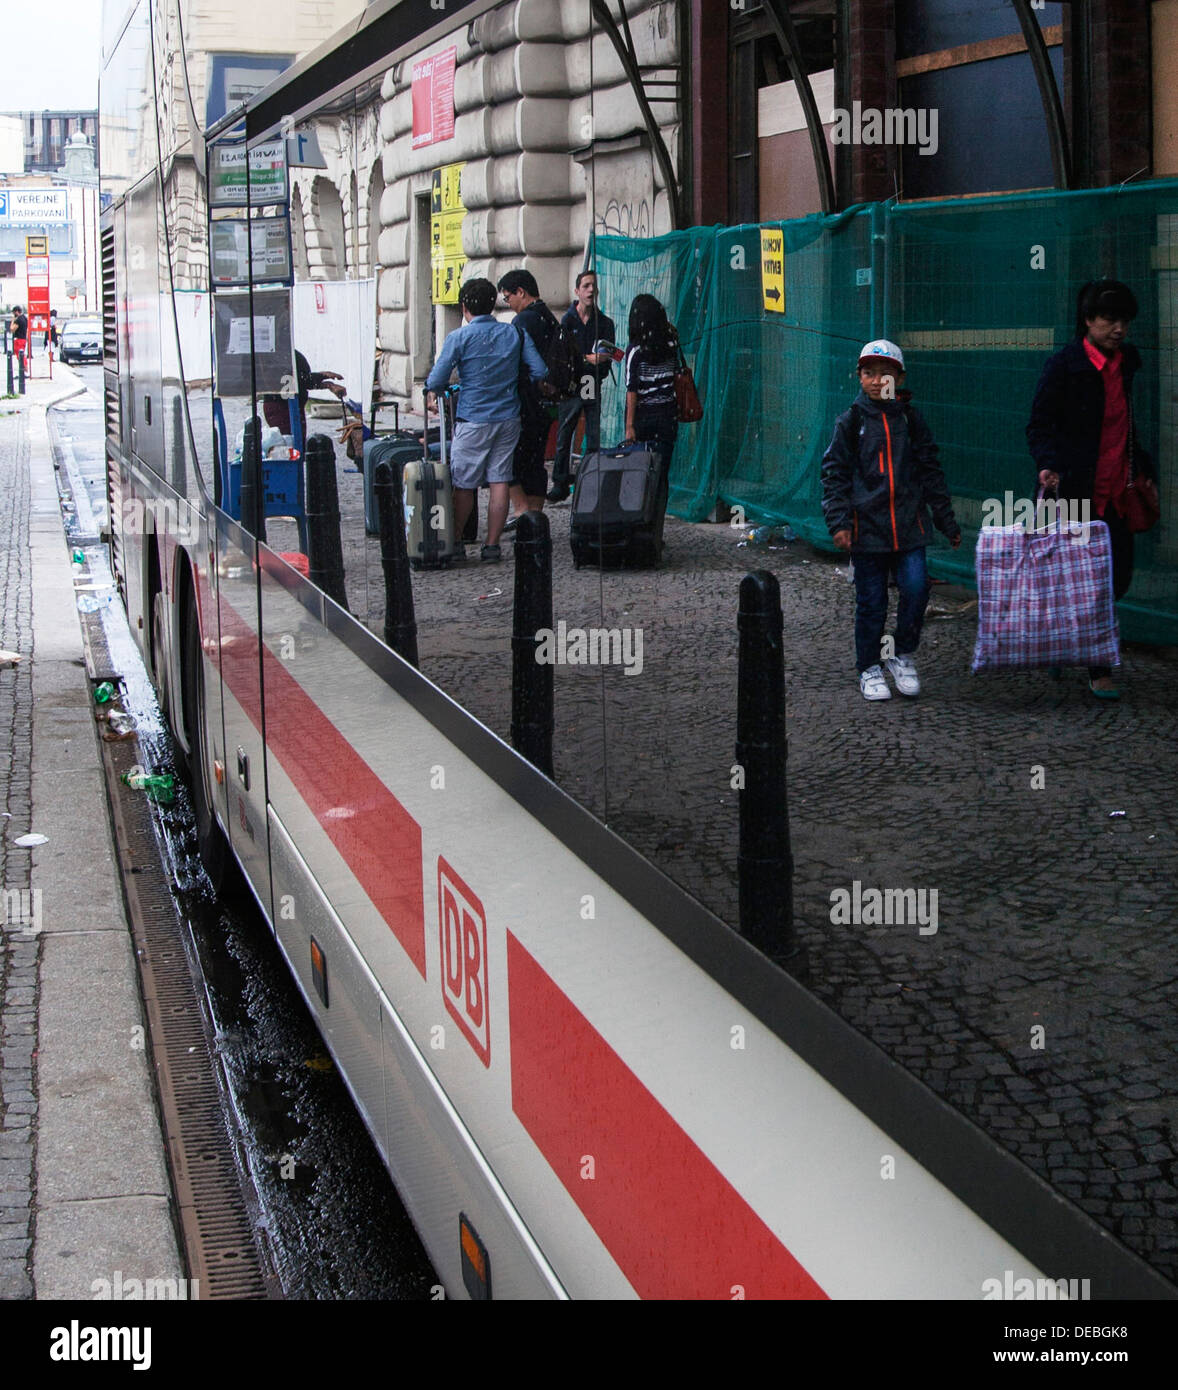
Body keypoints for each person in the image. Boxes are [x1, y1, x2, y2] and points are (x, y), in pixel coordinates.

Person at [1027, 279, 1156, 700]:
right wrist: (1048, 465)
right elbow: (1039, 424)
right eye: (1109, 319)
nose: (1119, 328)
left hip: (1117, 491)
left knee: (1116, 581)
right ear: (1087, 321)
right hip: (1074, 493)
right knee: (1087, 580)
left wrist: (1141, 463)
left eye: (1125, 321)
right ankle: (1098, 668)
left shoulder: (1128, 362)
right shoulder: (1064, 366)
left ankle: (1065, 643)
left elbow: (1127, 421)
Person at [821, 339, 962, 701]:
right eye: (868, 373)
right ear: (859, 377)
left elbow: (931, 471)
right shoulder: (850, 422)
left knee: (916, 590)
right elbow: (834, 475)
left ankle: (903, 654)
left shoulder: (912, 421)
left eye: (885, 373)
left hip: (910, 528)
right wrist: (839, 523)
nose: (876, 380)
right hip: (867, 531)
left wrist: (946, 521)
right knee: (872, 601)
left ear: (899, 378)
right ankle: (869, 665)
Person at [425, 277, 547, 563]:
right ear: (492, 304)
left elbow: (437, 379)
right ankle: (492, 546)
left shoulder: (459, 337)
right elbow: (540, 370)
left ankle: (455, 543)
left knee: (464, 483)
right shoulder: (514, 333)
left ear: (465, 307)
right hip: (508, 417)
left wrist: (442, 389)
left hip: (473, 418)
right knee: (500, 479)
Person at [497, 269, 559, 526]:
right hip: (548, 402)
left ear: (521, 292)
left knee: (510, 457)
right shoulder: (551, 317)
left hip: (525, 400)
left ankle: (522, 511)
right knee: (535, 459)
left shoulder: (523, 322)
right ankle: (536, 513)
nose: (508, 303)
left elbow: (520, 363)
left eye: (508, 297)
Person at [548, 270, 616, 502]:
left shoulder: (605, 323)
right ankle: (559, 481)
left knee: (593, 432)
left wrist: (599, 359)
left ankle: (589, 479)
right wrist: (587, 359)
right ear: (577, 291)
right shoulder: (567, 321)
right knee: (565, 431)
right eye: (585, 286)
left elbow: (609, 354)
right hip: (571, 382)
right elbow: (562, 355)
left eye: (593, 286)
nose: (590, 290)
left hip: (591, 380)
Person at [621, 293, 679, 480]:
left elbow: (632, 389)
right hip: (668, 414)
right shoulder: (671, 344)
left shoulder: (635, 350)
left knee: (640, 473)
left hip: (643, 416)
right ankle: (658, 508)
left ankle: (641, 509)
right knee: (661, 473)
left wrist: (629, 426)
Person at [261, 349, 346, 446]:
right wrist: (322, 377)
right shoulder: (275, 356)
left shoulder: (286, 352)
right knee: (291, 444)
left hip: (292, 403)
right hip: (281, 405)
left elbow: (300, 382)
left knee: (297, 442)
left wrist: (326, 384)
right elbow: (291, 380)